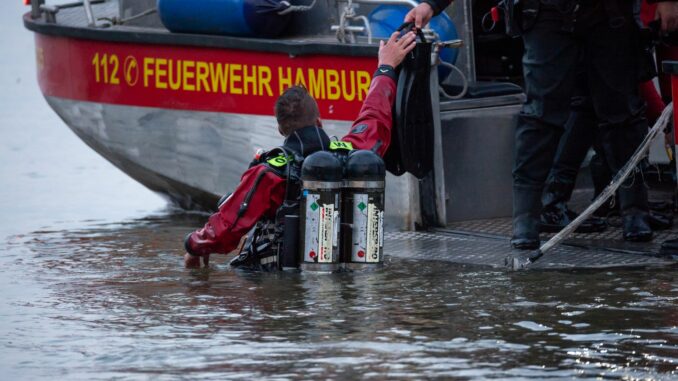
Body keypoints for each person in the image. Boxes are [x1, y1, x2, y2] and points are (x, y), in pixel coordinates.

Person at [183, 31, 417, 268]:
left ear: (281, 130)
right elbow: (375, 117)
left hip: (282, 282)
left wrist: (193, 246)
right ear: (319, 121)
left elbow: (227, 228)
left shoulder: (269, 173)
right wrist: (386, 68)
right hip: (344, 274)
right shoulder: (353, 155)